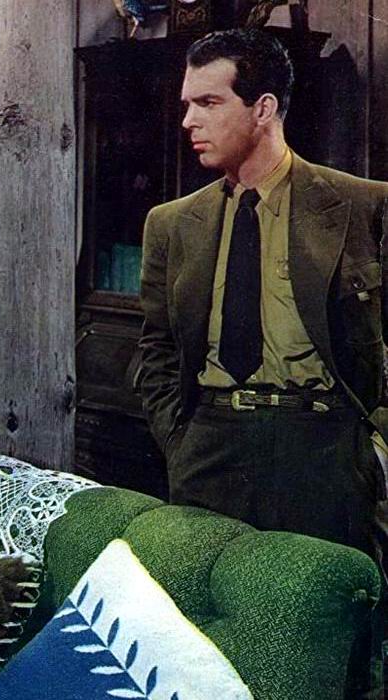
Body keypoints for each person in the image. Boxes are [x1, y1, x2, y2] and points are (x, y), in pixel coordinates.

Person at [136, 28, 388, 557]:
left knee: (320, 602)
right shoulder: (171, 224)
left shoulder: (363, 206)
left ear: (263, 108)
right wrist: (181, 443)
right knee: (199, 602)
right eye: (187, 104)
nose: (188, 121)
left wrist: (376, 454)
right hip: (210, 448)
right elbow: (156, 348)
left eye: (208, 103)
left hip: (325, 451)